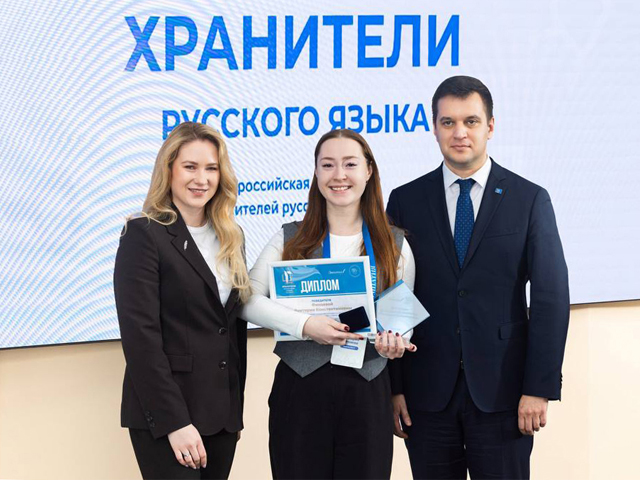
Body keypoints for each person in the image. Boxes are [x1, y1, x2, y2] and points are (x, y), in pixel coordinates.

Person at [386, 75, 570, 479]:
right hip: (425, 395)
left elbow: (551, 298)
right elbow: (393, 294)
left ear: (490, 126)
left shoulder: (529, 199)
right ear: (434, 127)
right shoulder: (405, 200)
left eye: (470, 121)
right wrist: (394, 388)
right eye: (448, 122)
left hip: (505, 394)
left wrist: (538, 387)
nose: (459, 133)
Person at [241, 129, 417, 479]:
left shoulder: (394, 244)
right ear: (316, 173)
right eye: (327, 165)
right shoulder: (290, 237)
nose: (339, 175)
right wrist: (305, 326)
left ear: (368, 171)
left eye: (350, 164)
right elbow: (246, 300)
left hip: (367, 393)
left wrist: (395, 341)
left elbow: (402, 322)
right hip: (300, 391)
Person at [113, 122, 251, 479]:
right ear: (169, 169)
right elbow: (141, 339)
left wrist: (234, 409)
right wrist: (174, 422)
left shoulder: (231, 237)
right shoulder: (143, 234)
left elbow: (231, 329)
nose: (201, 179)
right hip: (168, 418)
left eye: (211, 168)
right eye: (190, 167)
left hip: (221, 416)